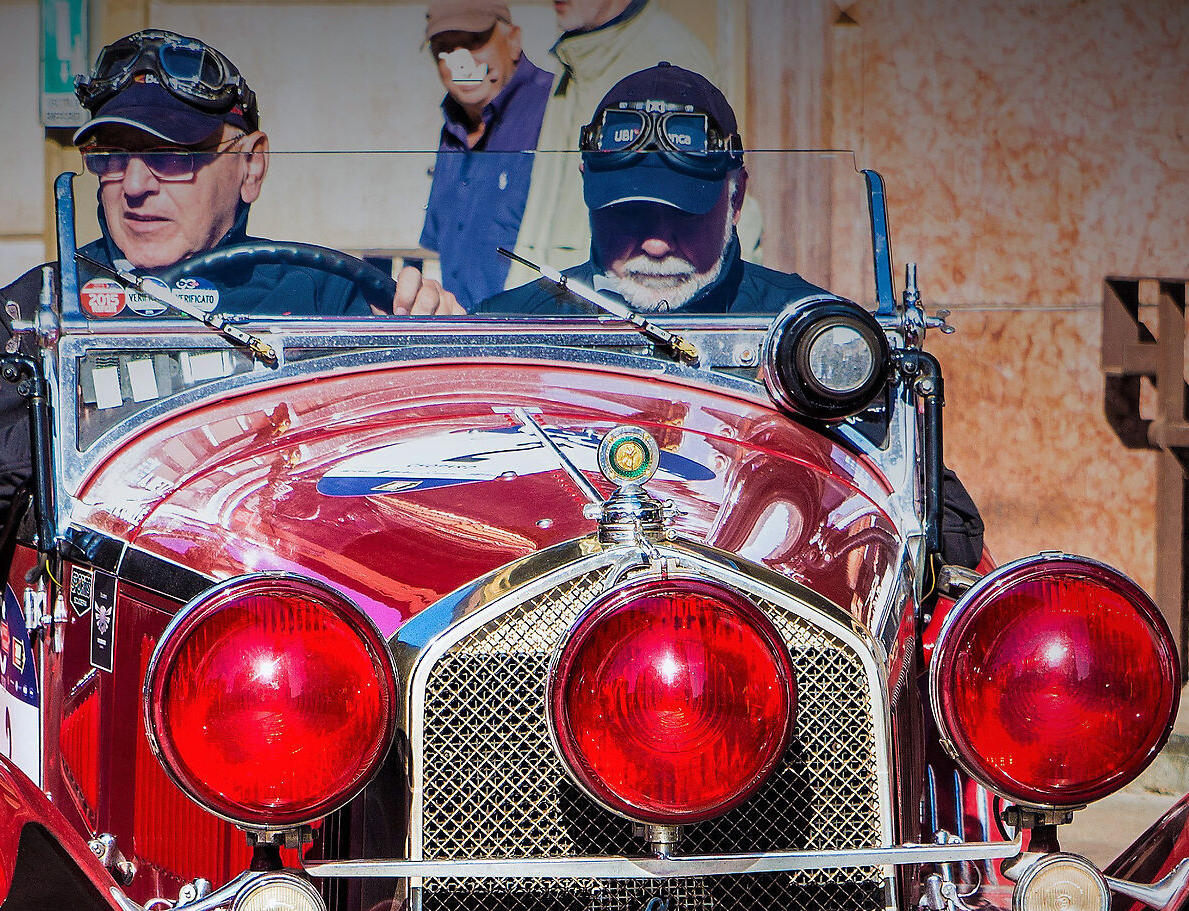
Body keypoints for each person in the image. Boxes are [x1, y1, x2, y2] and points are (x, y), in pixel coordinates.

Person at [0, 28, 461, 585]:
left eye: (174, 154)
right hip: (91, 648)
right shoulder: (40, 311)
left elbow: (435, 520)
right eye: (112, 157)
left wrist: (445, 366)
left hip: (290, 630)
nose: (136, 186)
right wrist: (61, 427)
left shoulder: (327, 296)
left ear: (251, 165)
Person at [480, 66, 985, 566]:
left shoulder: (814, 336)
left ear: (736, 196)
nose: (655, 243)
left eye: (684, 213)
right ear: (587, 188)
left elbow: (949, 528)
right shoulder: (506, 330)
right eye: (628, 212)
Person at [503, 0, 722, 287]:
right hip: (556, 304)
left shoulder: (668, 59)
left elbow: (709, 209)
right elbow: (542, 209)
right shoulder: (575, 57)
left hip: (612, 309)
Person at [419, 2, 554, 309]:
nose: (461, 62)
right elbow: (442, 245)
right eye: (444, 49)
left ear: (514, 41)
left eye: (473, 43)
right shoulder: (453, 129)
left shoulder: (554, 109)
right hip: (465, 333)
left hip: (532, 335)